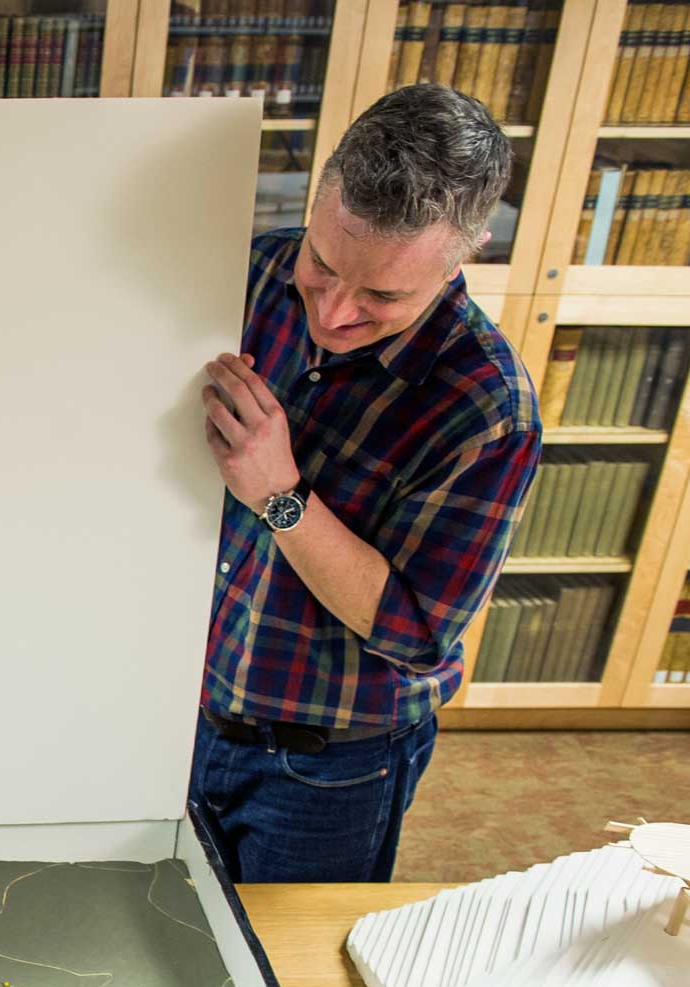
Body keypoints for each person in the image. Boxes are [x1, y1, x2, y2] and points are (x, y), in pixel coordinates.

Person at [191, 83, 541, 884]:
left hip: (328, 769)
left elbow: (418, 633)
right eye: (324, 263)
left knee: (287, 981)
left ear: (469, 250)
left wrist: (278, 492)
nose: (335, 311)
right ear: (320, 200)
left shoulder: (488, 407)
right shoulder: (248, 275)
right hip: (180, 716)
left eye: (383, 295)